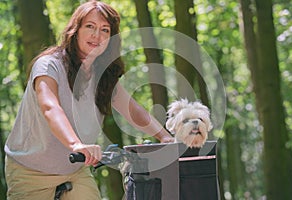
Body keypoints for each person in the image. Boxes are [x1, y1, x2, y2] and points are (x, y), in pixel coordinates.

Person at [4, 1, 174, 199]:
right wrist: (76, 144)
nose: (97, 35)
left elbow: (133, 110)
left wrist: (165, 137)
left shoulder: (103, 76)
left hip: (75, 169)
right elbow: (50, 108)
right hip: (31, 171)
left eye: (105, 30)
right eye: (90, 26)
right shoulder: (49, 65)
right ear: (75, 30)